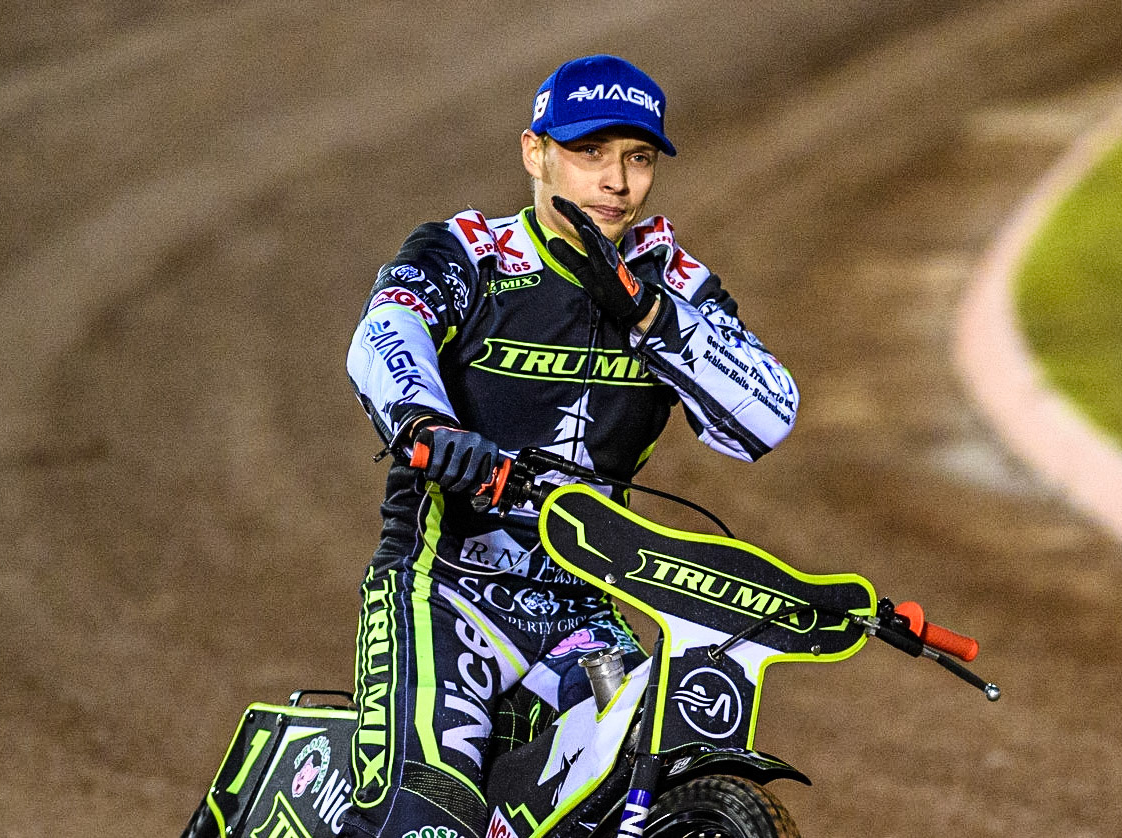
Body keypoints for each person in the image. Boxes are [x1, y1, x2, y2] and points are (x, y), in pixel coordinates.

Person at [342, 54, 799, 838]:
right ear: (535, 151)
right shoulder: (470, 252)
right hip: (442, 589)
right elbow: (385, 332)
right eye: (590, 153)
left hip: (582, 613)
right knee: (427, 821)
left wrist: (653, 319)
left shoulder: (674, 282)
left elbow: (768, 416)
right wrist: (427, 425)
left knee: (652, 762)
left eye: (638, 158)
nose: (616, 182)